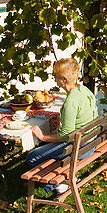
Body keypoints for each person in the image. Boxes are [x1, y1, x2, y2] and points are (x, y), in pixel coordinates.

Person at [26, 57, 97, 197]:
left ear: (64, 80)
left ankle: (59, 185)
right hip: (91, 142)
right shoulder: (84, 91)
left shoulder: (71, 101)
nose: (55, 80)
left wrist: (43, 137)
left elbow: (66, 135)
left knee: (32, 157)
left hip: (80, 147)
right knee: (43, 150)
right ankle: (59, 177)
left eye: (56, 77)